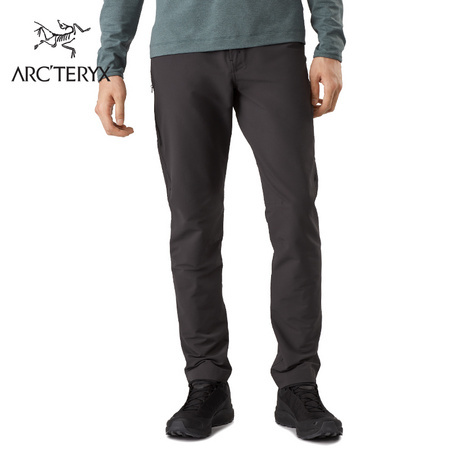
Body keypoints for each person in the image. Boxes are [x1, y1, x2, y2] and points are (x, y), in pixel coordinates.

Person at [95, 0, 345, 441]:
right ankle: (206, 381)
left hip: (274, 46)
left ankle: (298, 383)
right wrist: (109, 65)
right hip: (181, 54)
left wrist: (330, 44)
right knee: (193, 224)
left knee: (295, 217)